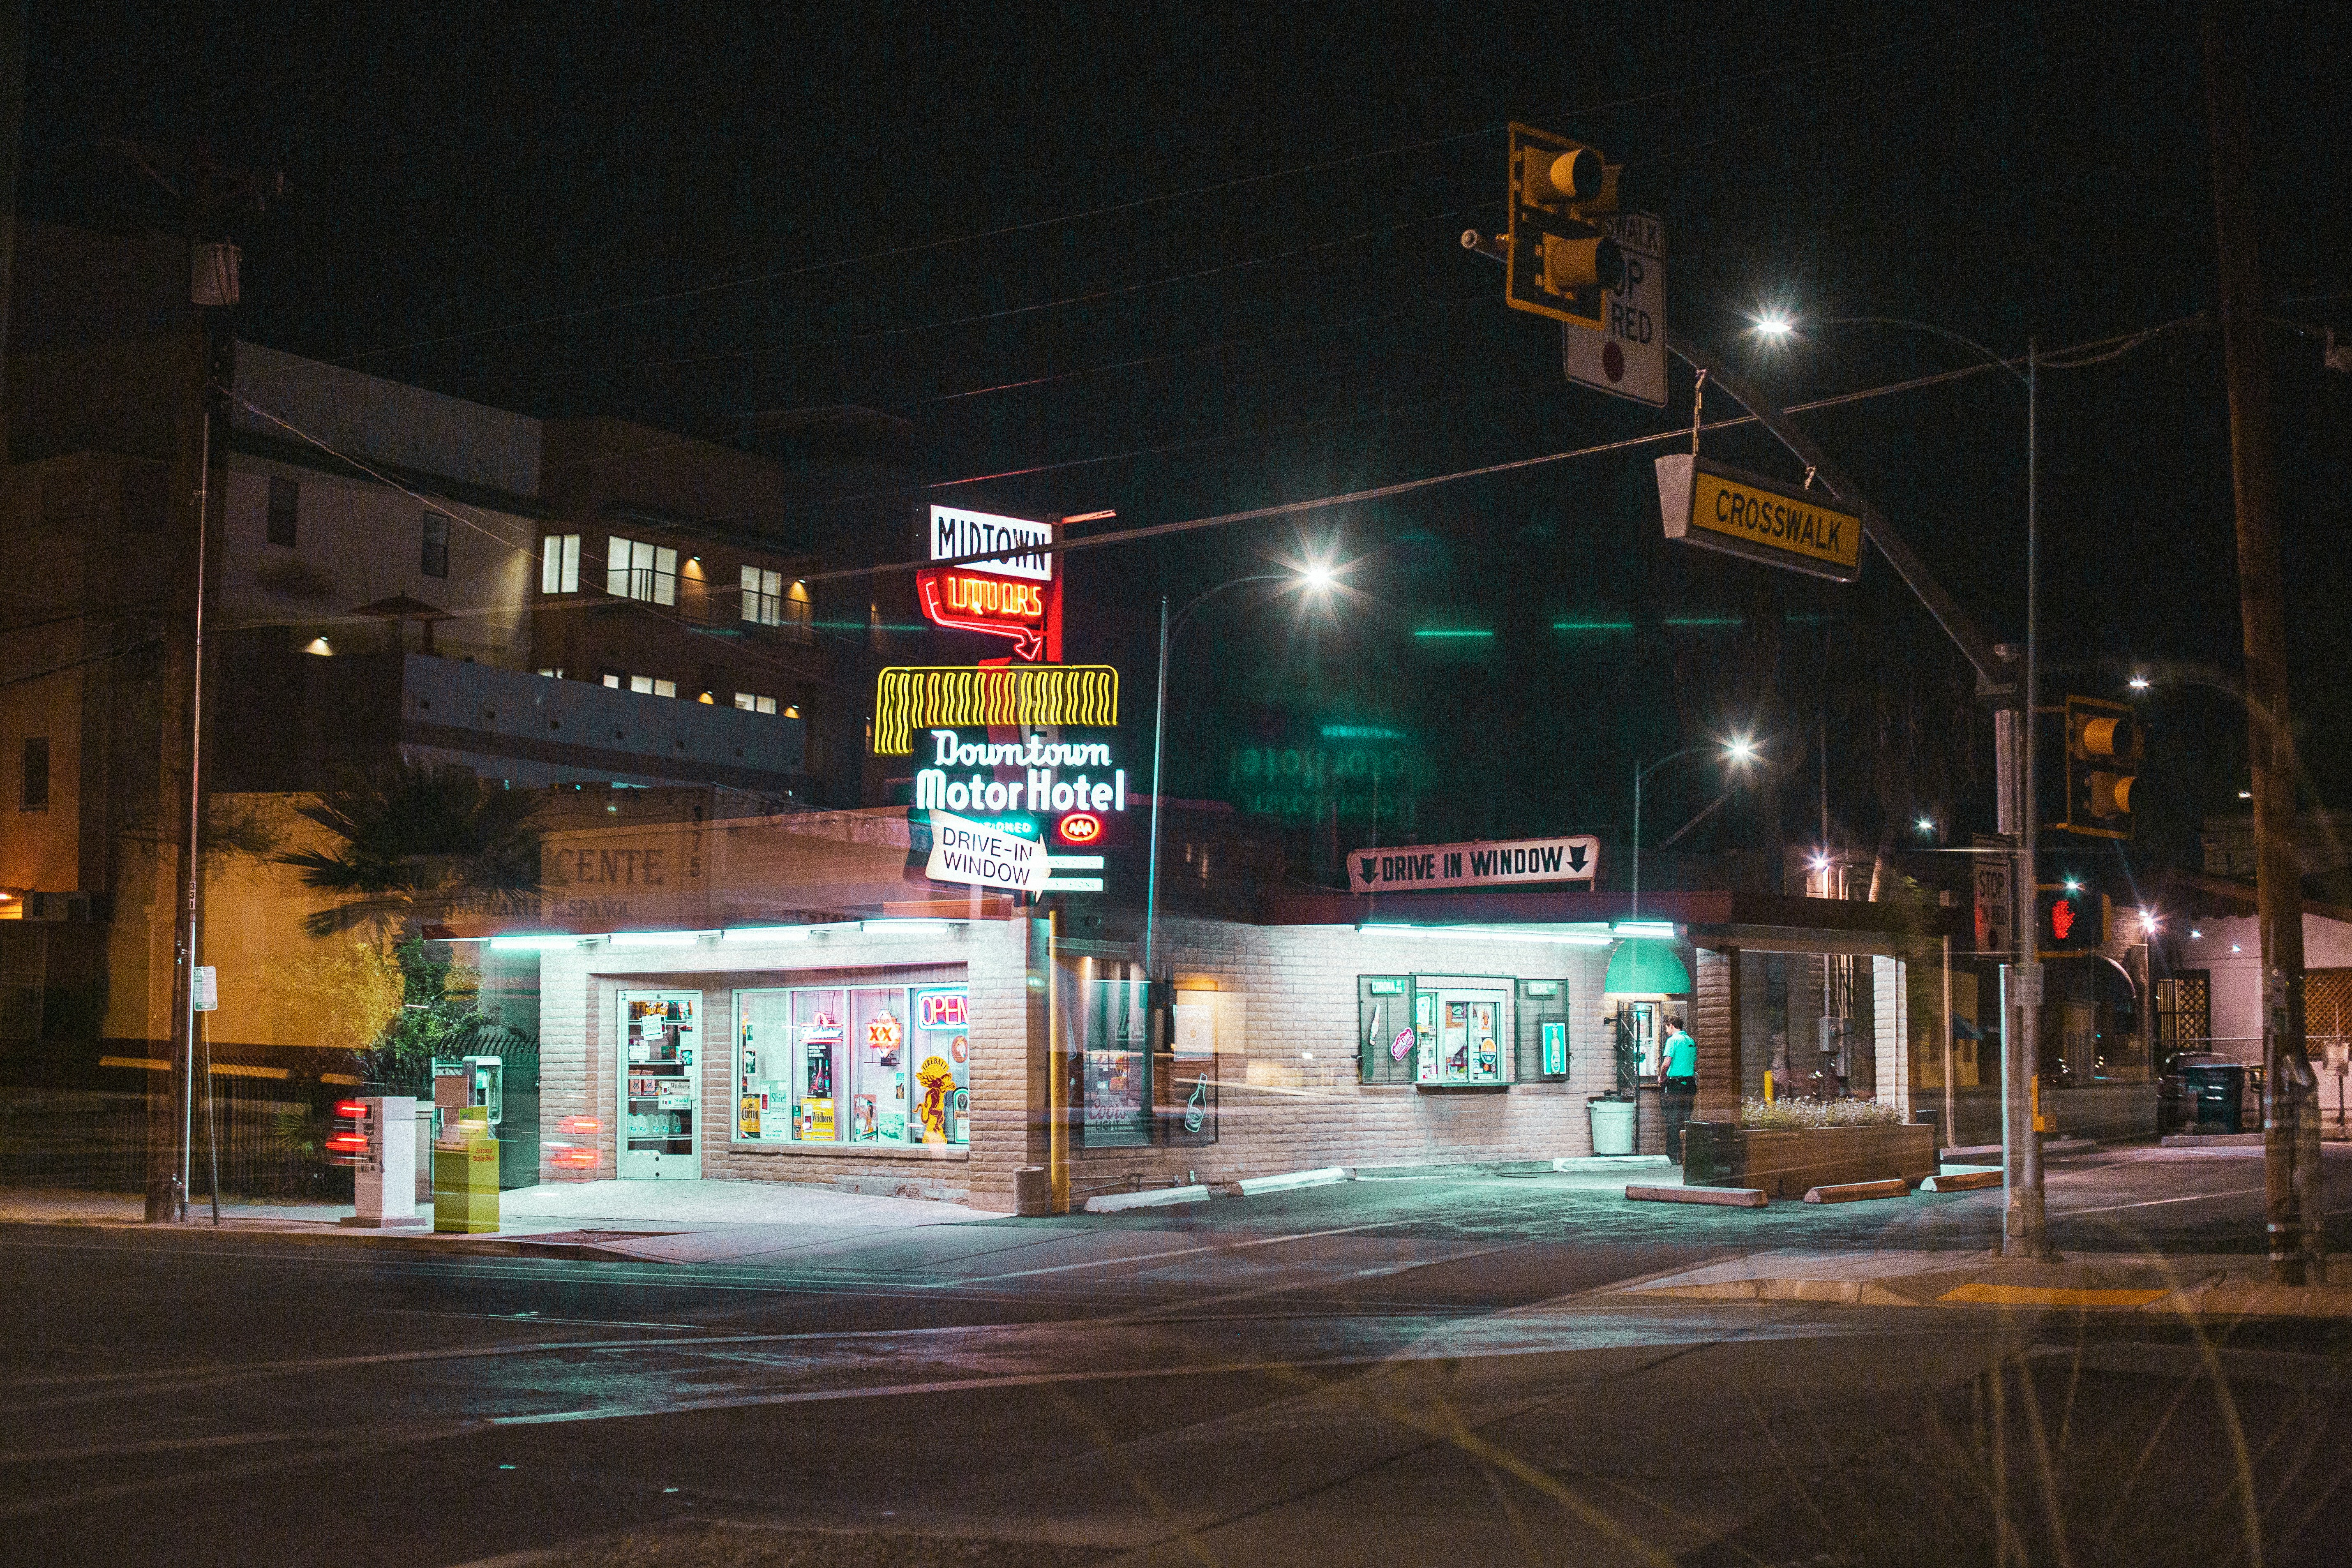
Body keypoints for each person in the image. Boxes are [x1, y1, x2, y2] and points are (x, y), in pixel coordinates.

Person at [1659, 1012, 1697, 1165]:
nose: (1667, 1031)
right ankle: (1685, 1156)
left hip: (1675, 1085)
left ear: (1672, 1026)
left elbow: (1667, 1063)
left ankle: (1671, 1156)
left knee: (1672, 1121)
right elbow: (1693, 1063)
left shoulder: (1673, 1041)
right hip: (1689, 1085)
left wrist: (1662, 1077)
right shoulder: (1691, 1041)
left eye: (1667, 1028)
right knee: (1686, 1120)